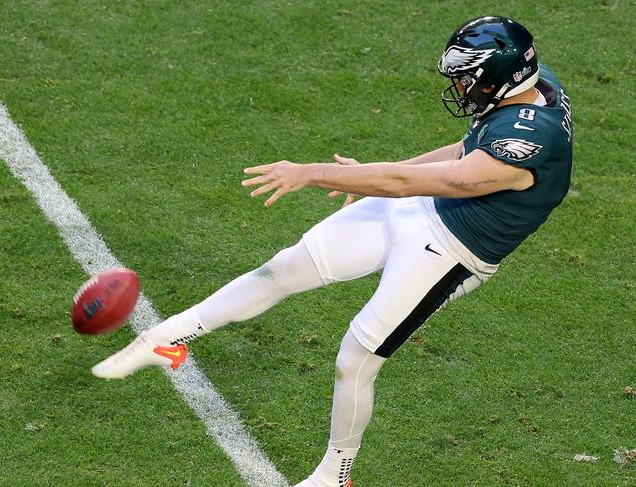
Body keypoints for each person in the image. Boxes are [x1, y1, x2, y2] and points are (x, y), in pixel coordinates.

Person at [92, 16, 573, 487]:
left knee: (355, 359)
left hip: (450, 250)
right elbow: (463, 150)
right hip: (422, 207)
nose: (461, 88)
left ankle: (334, 475)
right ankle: (165, 337)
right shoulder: (534, 86)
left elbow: (431, 180)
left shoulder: (529, 141)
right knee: (281, 269)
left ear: (496, 77)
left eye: (468, 78)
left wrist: (314, 172)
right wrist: (380, 175)